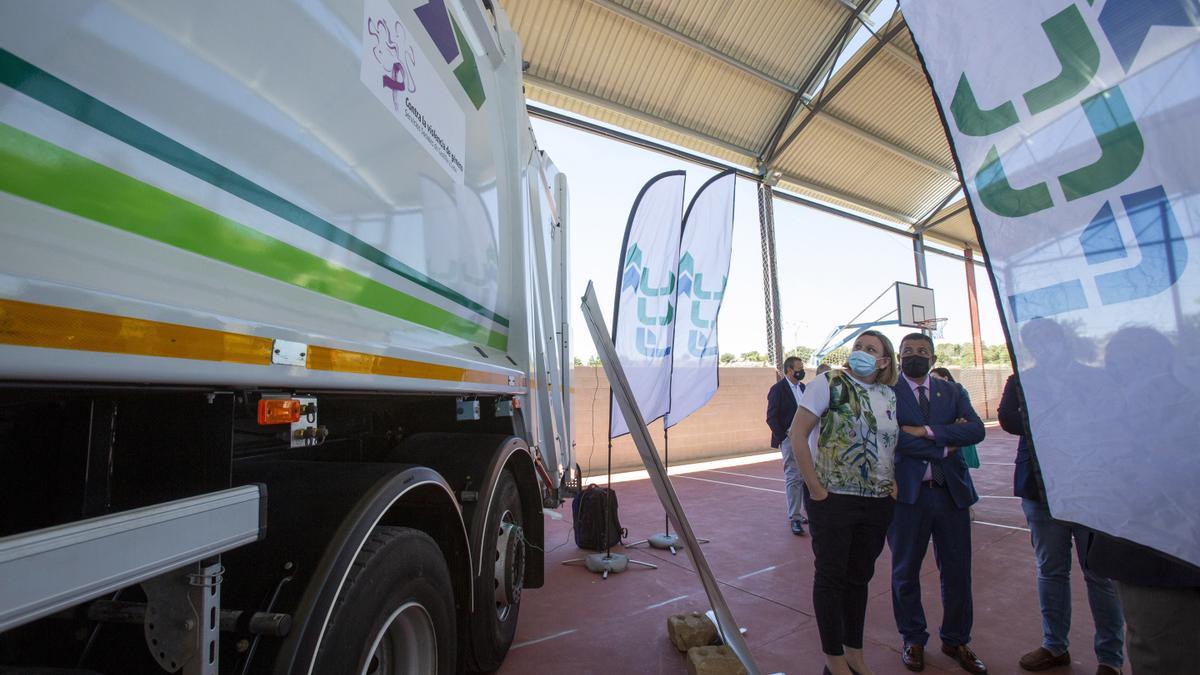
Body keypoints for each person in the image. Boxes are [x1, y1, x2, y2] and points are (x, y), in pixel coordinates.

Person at [788, 330, 899, 675]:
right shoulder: (829, 383)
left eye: (871, 350)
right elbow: (797, 434)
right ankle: (834, 659)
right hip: (834, 499)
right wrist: (815, 488)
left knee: (859, 578)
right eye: (857, 347)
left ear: (883, 362)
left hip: (877, 503)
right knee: (831, 578)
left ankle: (855, 654)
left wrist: (891, 482)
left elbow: (886, 442)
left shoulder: (888, 395)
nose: (861, 353)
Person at [998, 374, 1124, 675]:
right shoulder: (1020, 379)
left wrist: (1042, 417)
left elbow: (1102, 418)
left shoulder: (1086, 375)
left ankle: (1110, 658)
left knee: (1099, 576)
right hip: (1039, 488)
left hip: (1089, 489)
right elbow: (1007, 419)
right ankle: (1054, 645)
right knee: (1050, 570)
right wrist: (1058, 415)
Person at [888, 333, 987, 674]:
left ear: (933, 357)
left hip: (952, 495)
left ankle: (956, 638)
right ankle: (913, 637)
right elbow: (894, 439)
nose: (915, 356)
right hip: (908, 497)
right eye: (908, 352)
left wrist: (925, 432)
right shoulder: (887, 392)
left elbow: (975, 430)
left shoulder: (953, 391)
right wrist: (946, 442)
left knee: (958, 571)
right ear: (898, 357)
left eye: (922, 351)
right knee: (905, 571)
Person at [767, 356, 808, 535]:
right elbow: (771, 417)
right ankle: (795, 518)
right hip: (790, 439)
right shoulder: (778, 390)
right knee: (793, 477)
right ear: (789, 370)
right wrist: (784, 437)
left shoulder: (803, 388)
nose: (802, 371)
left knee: (807, 476)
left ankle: (806, 513)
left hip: (806, 439)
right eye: (799, 368)